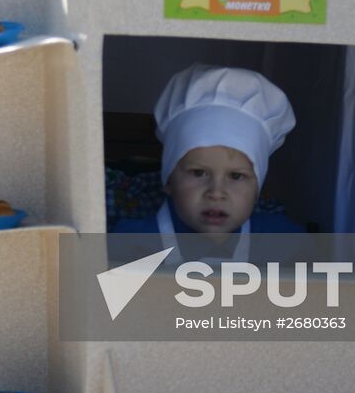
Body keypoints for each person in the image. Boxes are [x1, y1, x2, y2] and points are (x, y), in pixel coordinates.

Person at [112, 65, 301, 264]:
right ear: (168, 180)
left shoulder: (284, 241)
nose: (216, 192)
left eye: (236, 176)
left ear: (257, 188)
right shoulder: (130, 243)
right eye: (199, 173)